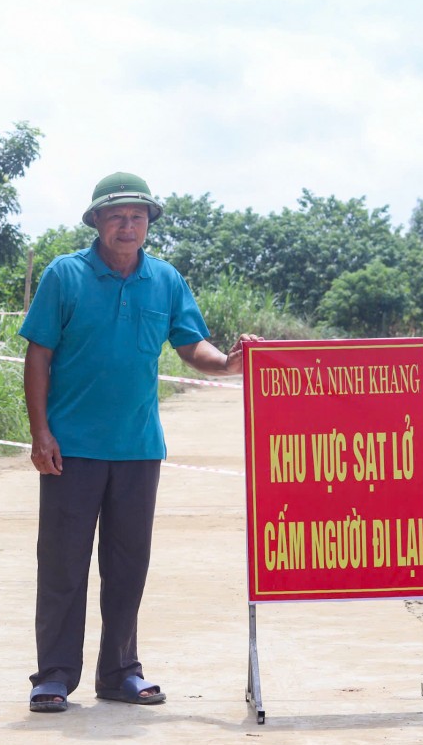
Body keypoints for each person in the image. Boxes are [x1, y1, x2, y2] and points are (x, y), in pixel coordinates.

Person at [20, 171, 260, 713]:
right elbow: (38, 355)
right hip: (71, 448)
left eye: (137, 217)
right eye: (116, 216)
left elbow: (190, 344)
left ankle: (120, 671)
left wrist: (227, 364)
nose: (127, 226)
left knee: (127, 567)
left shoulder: (166, 280)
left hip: (137, 448)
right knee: (63, 565)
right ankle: (54, 675)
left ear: (149, 223)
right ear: (97, 222)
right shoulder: (65, 275)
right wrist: (40, 432)